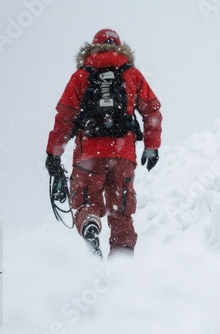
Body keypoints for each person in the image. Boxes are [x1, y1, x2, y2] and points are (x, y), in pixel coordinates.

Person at [45, 29, 162, 258]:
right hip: (123, 155)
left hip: (89, 155)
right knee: (121, 213)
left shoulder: (81, 76)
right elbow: (152, 111)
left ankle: (89, 222)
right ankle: (121, 264)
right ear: (119, 47)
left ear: (93, 47)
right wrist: (151, 146)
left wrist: (53, 154)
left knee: (87, 200)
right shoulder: (132, 74)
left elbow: (65, 117)